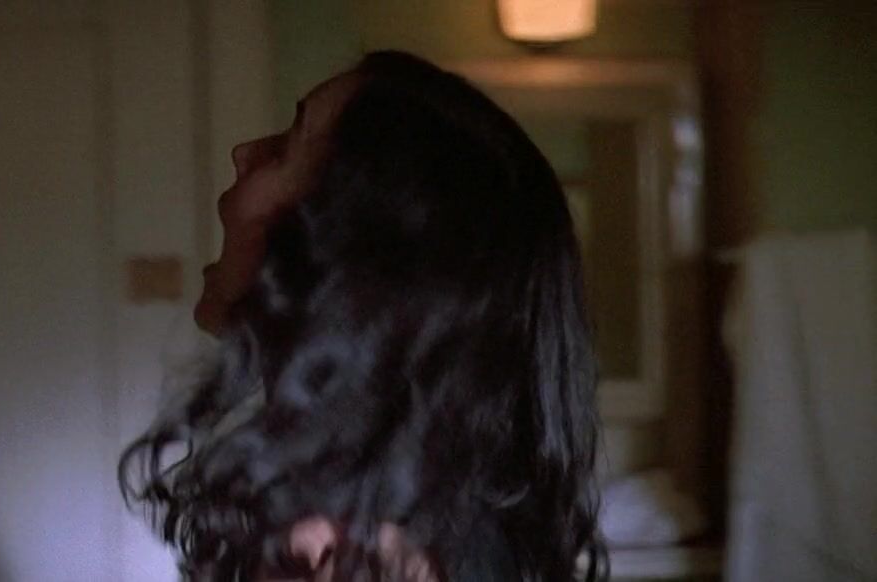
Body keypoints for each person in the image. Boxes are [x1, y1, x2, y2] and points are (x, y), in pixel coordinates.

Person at [120, 51, 605, 582]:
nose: (243, 154)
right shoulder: (412, 527)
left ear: (351, 253)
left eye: (286, 147)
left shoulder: (338, 554)